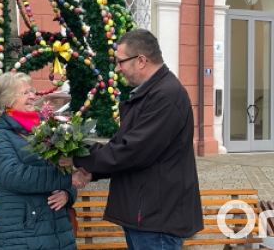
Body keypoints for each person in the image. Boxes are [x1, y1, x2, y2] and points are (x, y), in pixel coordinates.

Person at [65, 29, 203, 250]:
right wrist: (93, 170)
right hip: (147, 214)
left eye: (120, 61)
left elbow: (132, 151)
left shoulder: (165, 96)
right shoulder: (150, 93)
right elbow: (123, 146)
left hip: (156, 218)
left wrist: (77, 156)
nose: (117, 68)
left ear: (141, 60)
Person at [0, 72, 78, 250]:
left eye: (32, 91)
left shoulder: (48, 128)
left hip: (59, 230)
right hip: (23, 233)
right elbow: (15, 176)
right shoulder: (0, 136)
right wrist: (68, 178)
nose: (32, 96)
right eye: (25, 93)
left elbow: (66, 166)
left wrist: (68, 194)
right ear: (7, 101)